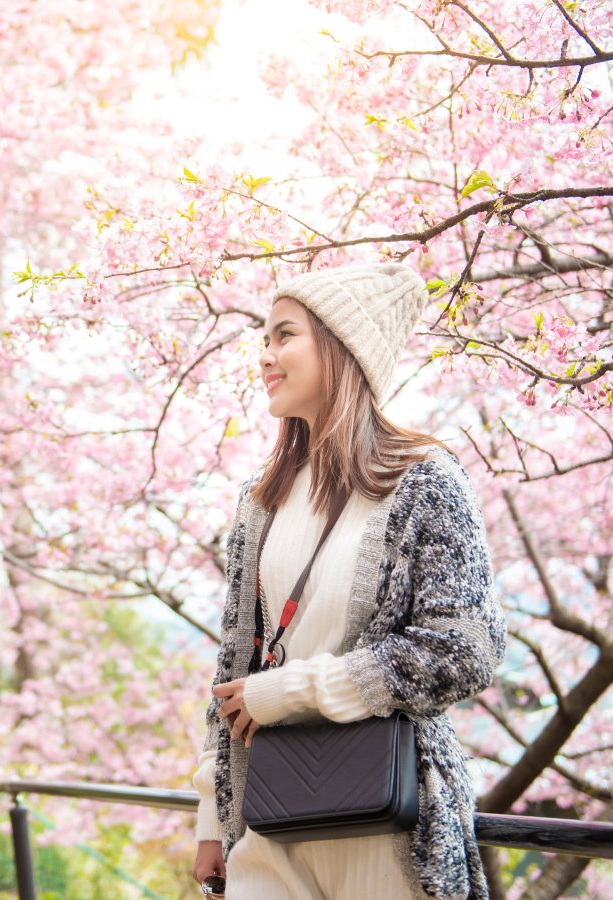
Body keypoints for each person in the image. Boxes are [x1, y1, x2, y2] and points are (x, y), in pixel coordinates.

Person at [190, 263, 506, 899]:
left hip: (385, 824)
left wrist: (294, 690)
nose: (266, 357)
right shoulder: (262, 501)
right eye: (264, 340)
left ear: (339, 348)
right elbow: (234, 669)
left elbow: (465, 649)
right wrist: (210, 814)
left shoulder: (424, 483)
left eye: (284, 337)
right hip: (269, 818)